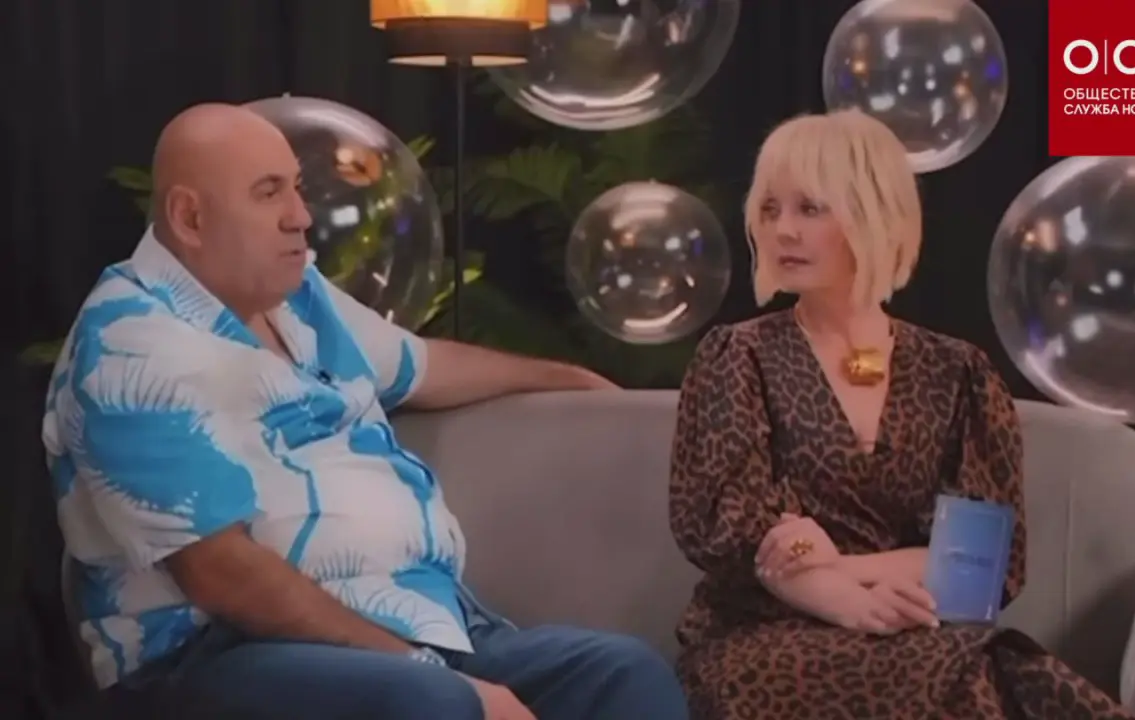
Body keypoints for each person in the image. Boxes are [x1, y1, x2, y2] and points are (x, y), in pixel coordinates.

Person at [44, 102, 689, 720]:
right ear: (190, 218)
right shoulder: (129, 346)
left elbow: (426, 366)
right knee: (433, 704)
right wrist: (422, 668)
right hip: (217, 652)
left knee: (620, 674)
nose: (301, 217)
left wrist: (569, 378)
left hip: (412, 625)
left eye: (297, 189)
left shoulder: (297, 297)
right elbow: (224, 577)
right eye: (269, 193)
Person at [668, 109, 1135, 719]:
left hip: (910, 622)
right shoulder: (737, 356)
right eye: (769, 209)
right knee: (959, 677)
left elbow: (978, 562)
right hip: (761, 635)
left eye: (810, 208)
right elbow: (731, 532)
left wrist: (845, 571)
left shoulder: (958, 372)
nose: (783, 230)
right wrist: (836, 598)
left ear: (876, 214)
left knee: (981, 671)